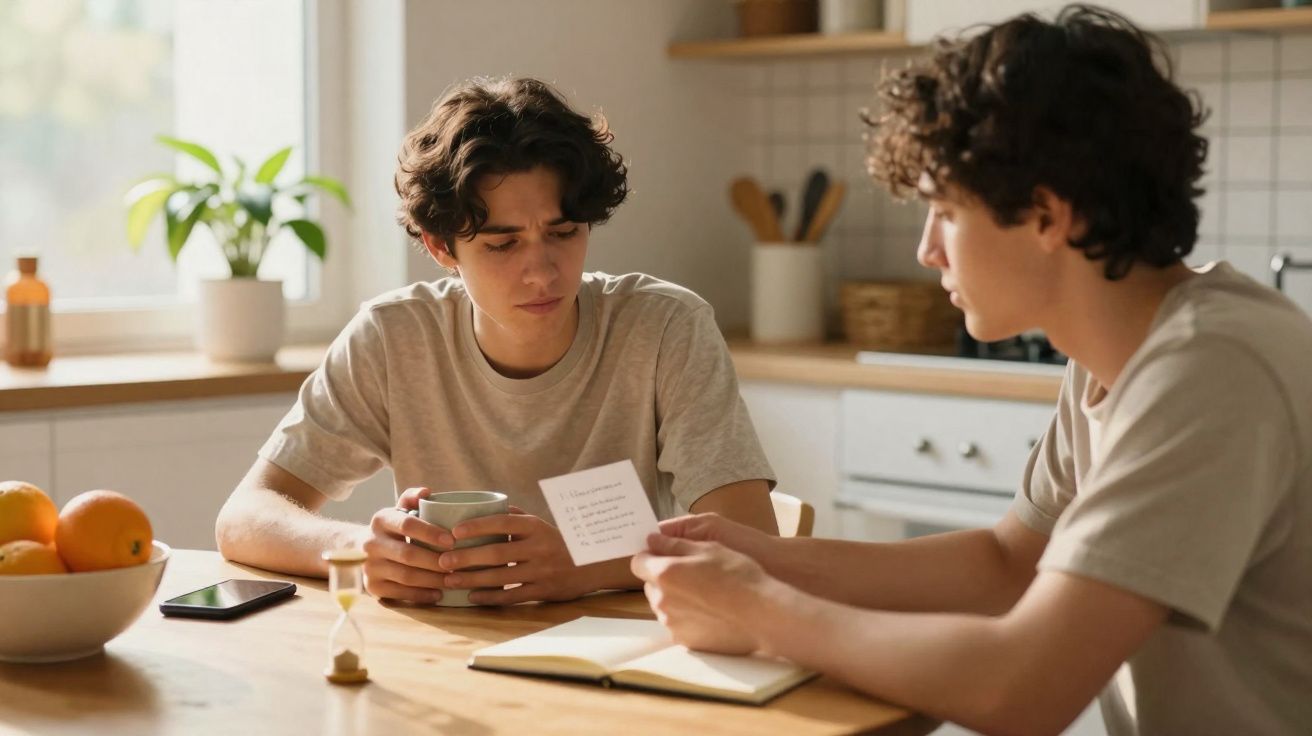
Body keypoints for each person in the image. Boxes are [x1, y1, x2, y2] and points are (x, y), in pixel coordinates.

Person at [632, 6, 1312, 735]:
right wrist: (766, 559)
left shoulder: (1211, 369)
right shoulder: (1115, 352)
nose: (927, 250)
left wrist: (764, 613)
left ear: (1047, 216)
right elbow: (1006, 564)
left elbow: (1025, 689)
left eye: (945, 213)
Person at [216, 77, 778, 606]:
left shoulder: (665, 328)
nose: (543, 273)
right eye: (503, 245)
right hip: (442, 651)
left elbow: (754, 544)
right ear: (441, 248)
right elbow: (243, 517)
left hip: (619, 649)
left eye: (563, 233)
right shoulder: (393, 337)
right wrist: (360, 549)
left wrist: (585, 567)